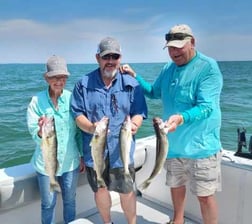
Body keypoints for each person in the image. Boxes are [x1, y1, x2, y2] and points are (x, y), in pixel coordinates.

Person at [120, 24, 223, 224]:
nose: (174, 52)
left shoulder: (208, 68)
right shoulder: (168, 69)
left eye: (179, 47)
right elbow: (153, 92)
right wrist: (135, 77)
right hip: (173, 145)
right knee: (176, 187)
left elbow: (207, 106)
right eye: (170, 48)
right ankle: (178, 221)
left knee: (205, 196)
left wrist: (181, 118)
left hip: (201, 147)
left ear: (192, 42)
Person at [70, 37, 148, 224]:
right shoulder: (83, 83)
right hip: (94, 152)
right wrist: (92, 128)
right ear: (98, 58)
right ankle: (107, 222)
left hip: (121, 151)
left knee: (127, 191)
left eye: (115, 56)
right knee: (101, 189)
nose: (111, 61)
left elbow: (140, 112)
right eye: (106, 57)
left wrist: (135, 124)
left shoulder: (132, 83)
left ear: (120, 58)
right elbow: (77, 114)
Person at [27, 55, 84, 224]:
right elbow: (32, 130)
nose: (58, 81)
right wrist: (39, 131)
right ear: (47, 78)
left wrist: (81, 155)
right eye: (54, 77)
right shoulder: (36, 101)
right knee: (48, 204)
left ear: (66, 78)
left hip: (71, 162)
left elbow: (79, 132)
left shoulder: (73, 98)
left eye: (62, 77)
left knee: (70, 201)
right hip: (45, 165)